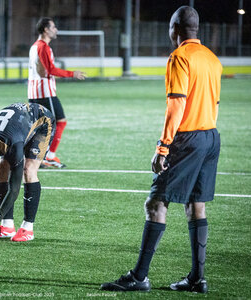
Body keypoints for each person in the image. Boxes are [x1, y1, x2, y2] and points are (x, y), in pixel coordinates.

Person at [101, 6, 222, 293]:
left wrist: (163, 146)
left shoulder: (179, 57)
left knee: (156, 204)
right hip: (211, 137)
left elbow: (176, 103)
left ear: (174, 30)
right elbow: (215, 103)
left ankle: (139, 277)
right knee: (196, 205)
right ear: (196, 29)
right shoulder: (212, 59)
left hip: (187, 139)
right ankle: (197, 279)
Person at [0, 102, 55, 242]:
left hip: (42, 121)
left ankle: (28, 228)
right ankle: (7, 227)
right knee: (2, 168)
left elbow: (14, 190)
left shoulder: (13, 145)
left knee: (28, 169)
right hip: (16, 126)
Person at [28, 17, 86, 168]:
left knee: (40, 126)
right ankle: (49, 156)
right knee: (59, 122)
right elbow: (50, 70)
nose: (56, 30)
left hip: (35, 92)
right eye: (53, 27)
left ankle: (36, 157)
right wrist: (72, 74)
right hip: (45, 93)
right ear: (46, 30)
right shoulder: (43, 47)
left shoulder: (34, 46)